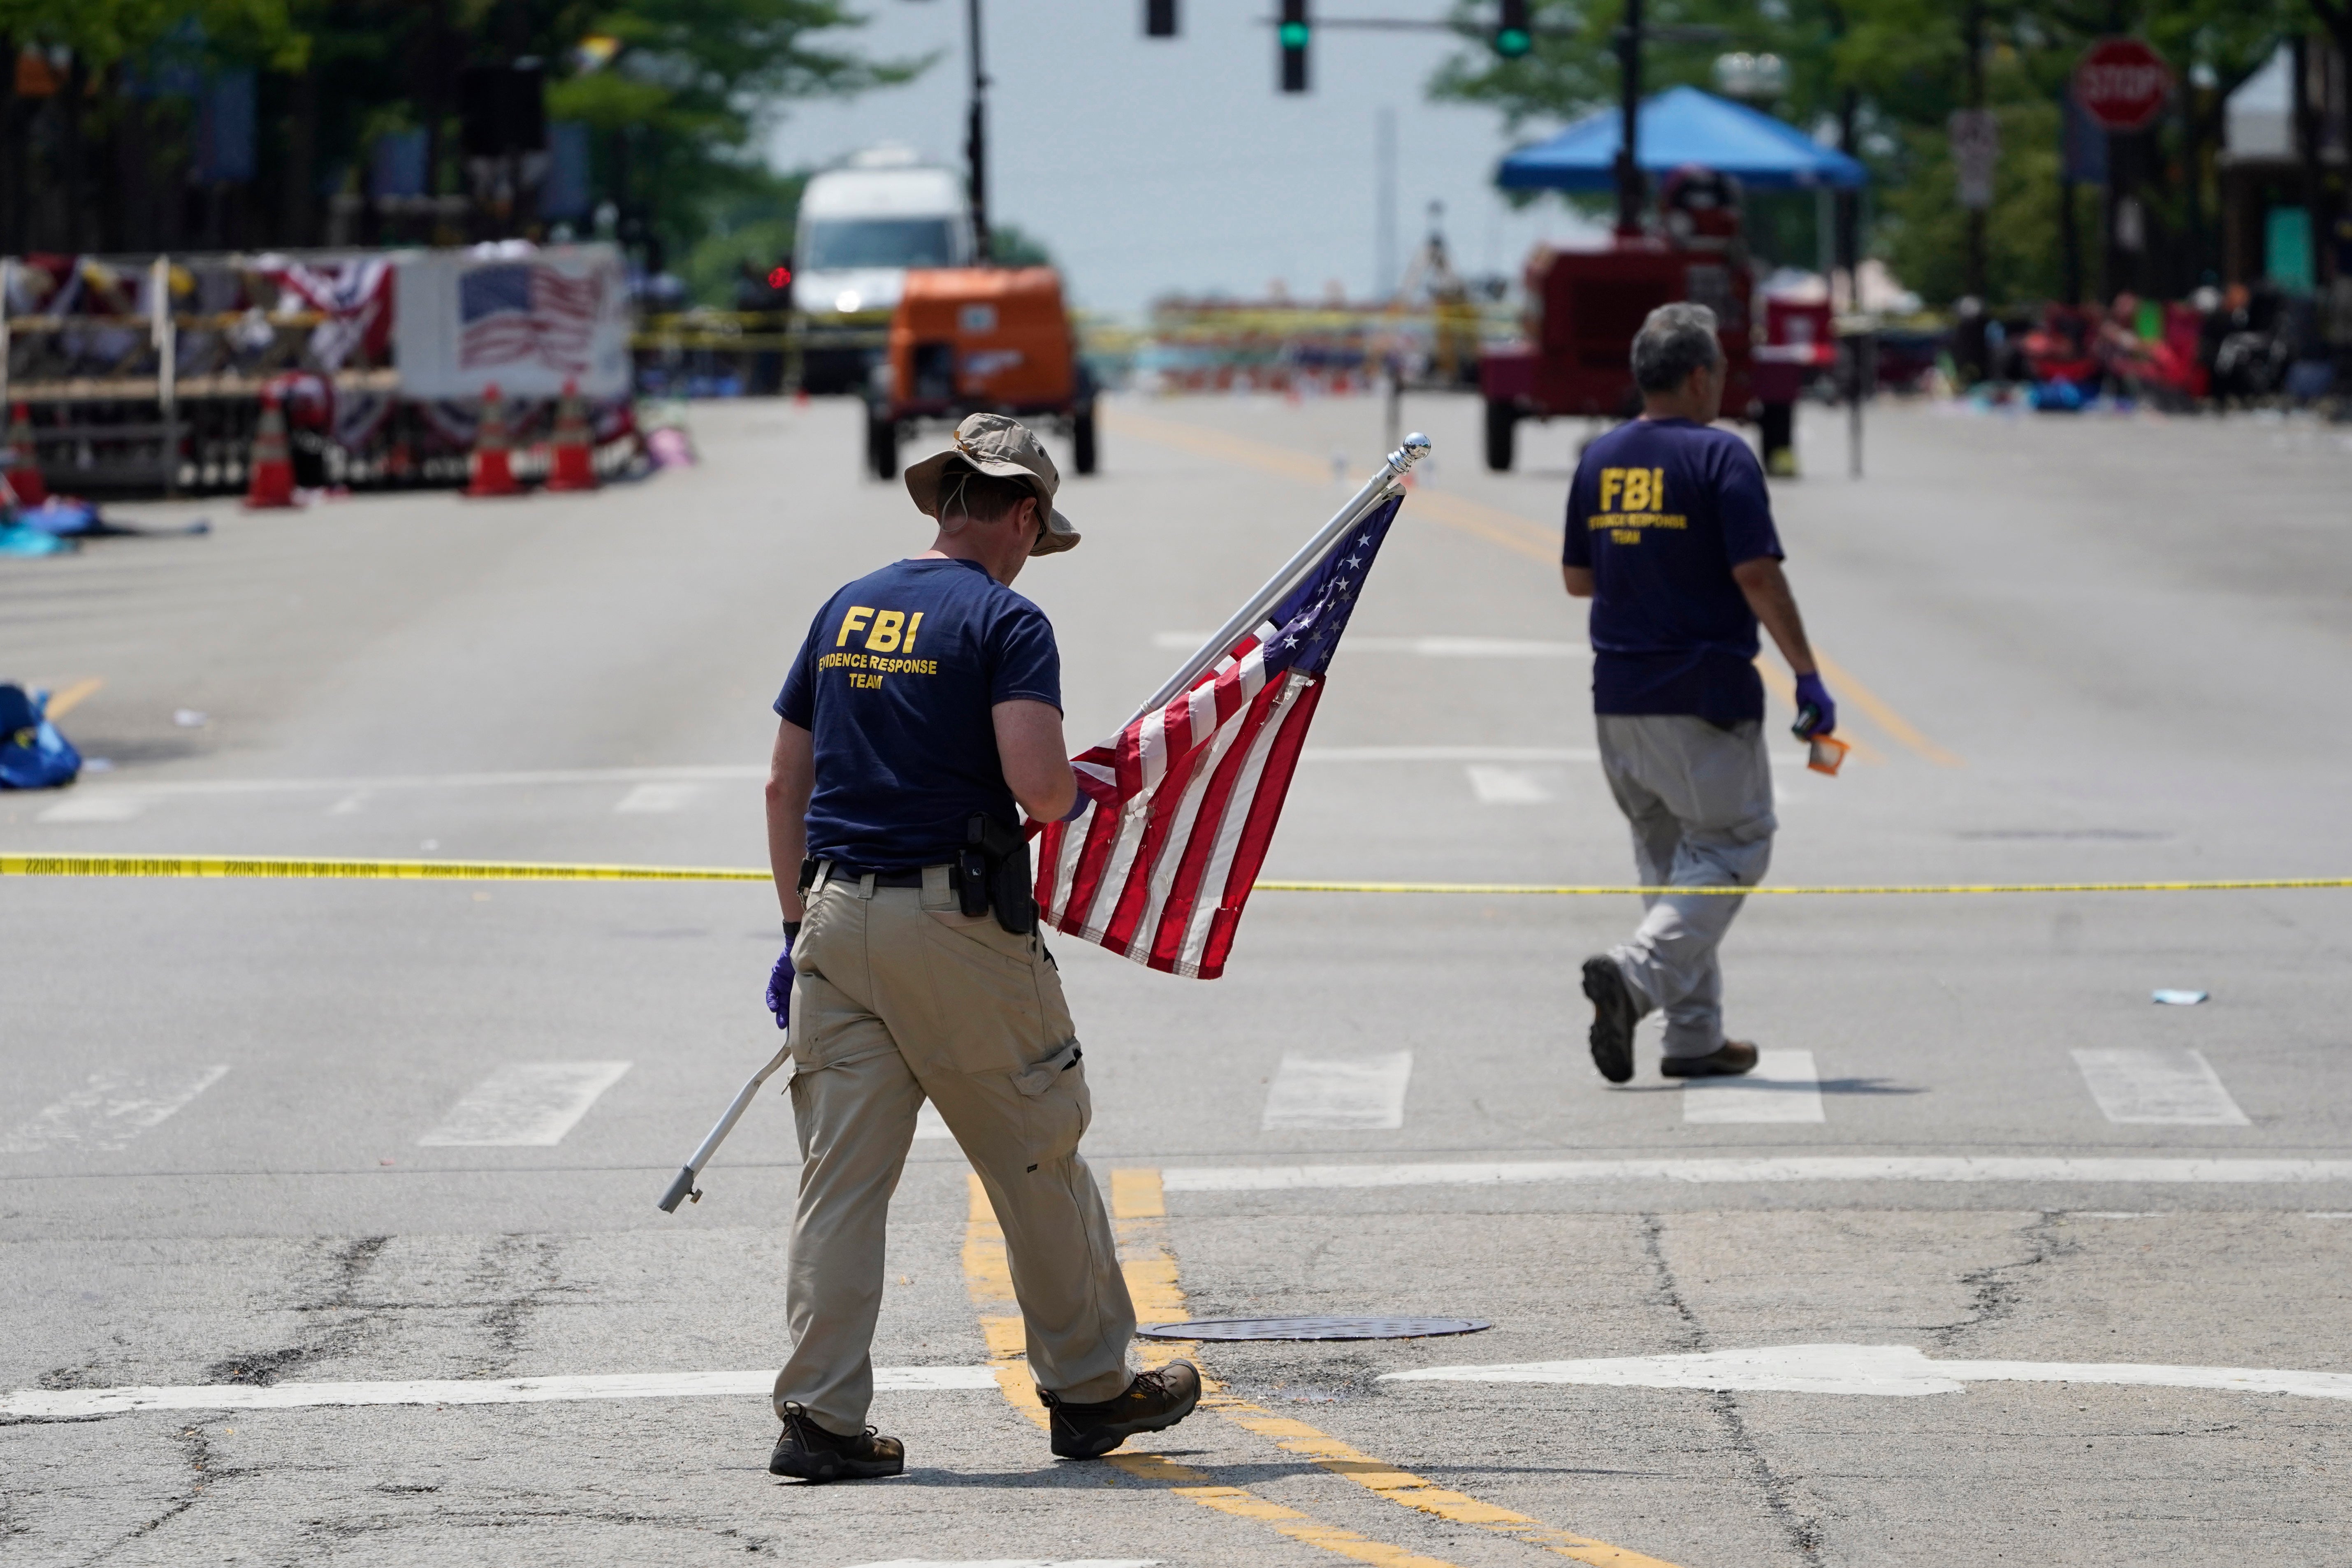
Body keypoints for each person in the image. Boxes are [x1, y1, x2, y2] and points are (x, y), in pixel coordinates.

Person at [761, 413, 1199, 1482]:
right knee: (1036, 1154)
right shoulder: (1004, 621)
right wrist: (1089, 777)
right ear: (1017, 512)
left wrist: (790, 931)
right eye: (1034, 531)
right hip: (953, 930)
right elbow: (1039, 788)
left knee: (841, 1180)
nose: (1029, 551)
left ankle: (818, 1414)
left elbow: (785, 782)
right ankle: (1091, 1387)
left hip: (836, 919)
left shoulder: (846, 605)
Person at [1561, 302, 1835, 1085]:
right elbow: (1757, 574)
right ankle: (1636, 977)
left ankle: (1694, 1037)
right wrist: (1806, 674)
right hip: (1702, 693)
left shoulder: (1600, 458)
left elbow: (1578, 578)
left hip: (1617, 698)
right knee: (1733, 843)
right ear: (1696, 376)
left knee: (1672, 866)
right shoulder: (1722, 458)